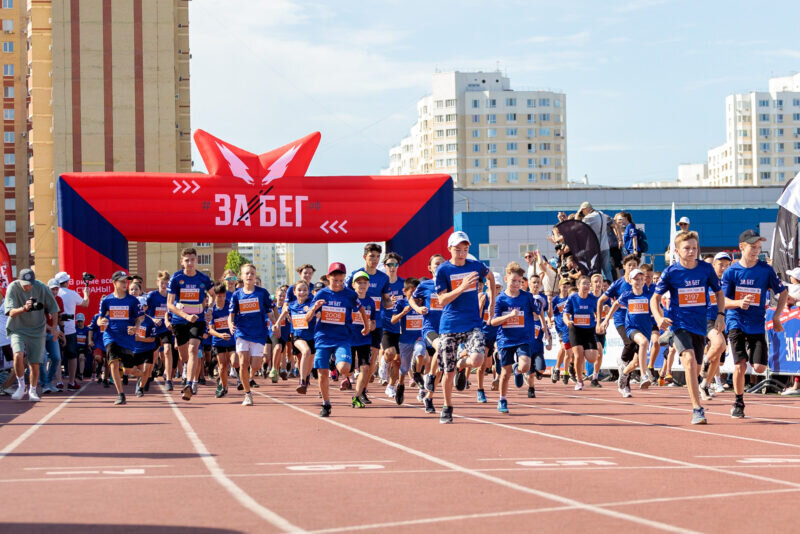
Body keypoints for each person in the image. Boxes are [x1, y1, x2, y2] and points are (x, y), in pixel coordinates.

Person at [652, 230, 724, 425]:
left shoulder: (705, 269)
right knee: (690, 362)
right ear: (677, 251)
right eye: (687, 248)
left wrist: (720, 315)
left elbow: (719, 293)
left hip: (700, 325)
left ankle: (669, 339)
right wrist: (659, 317)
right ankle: (697, 409)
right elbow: (655, 298)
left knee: (697, 368)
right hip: (679, 324)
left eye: (694, 248)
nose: (692, 251)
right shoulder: (671, 272)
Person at [722, 229, 787, 419]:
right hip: (736, 321)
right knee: (740, 365)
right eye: (753, 246)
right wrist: (738, 303)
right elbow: (722, 301)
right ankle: (738, 402)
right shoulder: (731, 271)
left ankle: (751, 351)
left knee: (758, 368)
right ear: (742, 247)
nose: (756, 250)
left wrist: (776, 317)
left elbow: (782, 293)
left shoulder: (765, 270)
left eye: (759, 247)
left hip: (757, 323)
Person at [434, 231, 496, 424]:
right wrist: (461, 287)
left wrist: (492, 304)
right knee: (448, 372)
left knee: (478, 359)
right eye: (458, 249)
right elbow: (442, 300)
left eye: (465, 249)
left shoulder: (476, 266)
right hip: (450, 325)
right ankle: (447, 406)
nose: (461, 253)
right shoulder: (443, 270)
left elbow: (491, 278)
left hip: (472, 324)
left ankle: (463, 365)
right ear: (450, 249)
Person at [306, 262, 369, 417]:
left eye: (341, 281)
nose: (338, 284)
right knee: (322, 372)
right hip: (323, 338)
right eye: (335, 280)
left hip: (342, 338)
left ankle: (336, 360)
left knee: (344, 369)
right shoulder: (321, 294)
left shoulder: (350, 295)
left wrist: (366, 326)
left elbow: (361, 309)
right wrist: (314, 308)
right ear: (328, 278)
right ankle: (326, 404)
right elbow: (308, 319)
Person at [5, 269, 60, 401]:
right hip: (18, 327)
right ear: (19, 280)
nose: (27, 286)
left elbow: (54, 308)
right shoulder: (13, 287)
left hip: (37, 329)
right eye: (24, 284)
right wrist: (24, 308)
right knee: (18, 354)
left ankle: (33, 390)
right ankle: (20, 385)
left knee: (34, 363)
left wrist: (54, 327)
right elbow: (10, 312)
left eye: (30, 283)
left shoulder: (40, 286)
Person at [167, 248, 214, 401]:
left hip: (198, 320)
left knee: (194, 348)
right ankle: (187, 367)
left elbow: (213, 295)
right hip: (180, 320)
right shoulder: (176, 278)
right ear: (182, 262)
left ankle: (190, 382)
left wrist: (209, 309)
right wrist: (186, 316)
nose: (189, 263)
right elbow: (170, 305)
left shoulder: (203, 278)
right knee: (183, 354)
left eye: (192, 259)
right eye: (186, 260)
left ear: (196, 261)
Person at [600, 268, 653, 398]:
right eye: (636, 279)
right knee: (643, 342)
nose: (639, 282)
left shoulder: (649, 295)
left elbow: (657, 310)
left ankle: (624, 374)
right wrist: (606, 319)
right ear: (630, 280)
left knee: (635, 363)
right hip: (632, 329)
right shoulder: (627, 295)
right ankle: (643, 375)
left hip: (646, 329)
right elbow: (615, 305)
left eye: (641, 279)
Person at [229, 264, 275, 406]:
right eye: (247, 273)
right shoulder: (237, 295)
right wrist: (230, 324)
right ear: (241, 276)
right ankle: (247, 394)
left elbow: (270, 311)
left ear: (255, 276)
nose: (249, 276)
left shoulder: (262, 293)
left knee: (255, 364)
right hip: (242, 332)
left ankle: (249, 377)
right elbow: (231, 314)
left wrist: (275, 323)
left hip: (259, 333)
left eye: (252, 274)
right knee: (243, 363)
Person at [97, 271, 145, 405]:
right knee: (113, 362)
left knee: (129, 370)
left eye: (126, 281)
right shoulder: (106, 300)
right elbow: (100, 318)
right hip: (111, 335)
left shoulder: (132, 300)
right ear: (114, 283)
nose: (125, 283)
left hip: (127, 338)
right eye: (122, 281)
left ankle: (143, 376)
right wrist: (100, 322)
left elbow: (140, 318)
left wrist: (136, 327)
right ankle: (120, 394)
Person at [699, 252, 732, 399]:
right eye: (720, 264)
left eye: (727, 265)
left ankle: (705, 384)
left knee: (718, 357)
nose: (724, 268)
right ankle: (705, 362)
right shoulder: (706, 280)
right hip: (706, 319)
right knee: (719, 345)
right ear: (713, 265)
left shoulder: (729, 282)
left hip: (722, 320)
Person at [389, 278, 424, 406]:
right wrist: (403, 312)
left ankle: (417, 374)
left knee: (420, 352)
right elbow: (393, 320)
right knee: (403, 369)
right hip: (405, 340)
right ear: (405, 291)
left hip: (419, 337)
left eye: (417, 292)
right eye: (412, 292)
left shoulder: (423, 302)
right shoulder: (400, 303)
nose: (416, 295)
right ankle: (401, 385)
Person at [53, 272, 90, 390]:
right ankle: (71, 382)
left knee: (57, 357)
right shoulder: (72, 293)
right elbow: (85, 304)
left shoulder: (54, 293)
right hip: (69, 330)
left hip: (56, 328)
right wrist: (86, 294)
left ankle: (59, 382)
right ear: (66, 282)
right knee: (72, 356)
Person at [563, 275, 599, 391]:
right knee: (578, 354)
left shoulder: (593, 299)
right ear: (578, 286)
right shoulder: (572, 298)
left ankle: (578, 363)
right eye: (584, 284)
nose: (586, 286)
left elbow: (598, 313)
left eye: (588, 284)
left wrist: (600, 322)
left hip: (589, 330)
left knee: (592, 358)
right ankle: (579, 380)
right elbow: (565, 314)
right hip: (575, 329)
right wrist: (567, 321)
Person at [347, 271, 376, 407]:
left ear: (369, 285)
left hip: (364, 339)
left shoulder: (370, 301)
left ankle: (357, 396)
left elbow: (374, 321)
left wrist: (371, 325)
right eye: (359, 282)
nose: (362, 285)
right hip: (349, 339)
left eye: (365, 282)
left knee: (365, 368)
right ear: (353, 285)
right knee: (348, 369)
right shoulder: (349, 299)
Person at [146, 271, 174, 389]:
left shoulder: (171, 296)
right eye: (162, 283)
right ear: (157, 283)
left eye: (166, 283)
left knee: (167, 350)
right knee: (153, 355)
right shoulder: (152, 296)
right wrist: (152, 319)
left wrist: (170, 321)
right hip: (153, 328)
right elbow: (143, 312)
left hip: (166, 328)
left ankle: (168, 379)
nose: (164, 285)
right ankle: (146, 377)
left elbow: (175, 310)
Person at [207, 283, 235, 398]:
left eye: (223, 296)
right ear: (215, 297)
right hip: (218, 341)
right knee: (222, 366)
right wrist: (220, 335)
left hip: (231, 340)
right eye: (219, 296)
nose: (222, 299)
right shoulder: (212, 310)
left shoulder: (230, 306)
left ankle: (240, 380)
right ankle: (223, 387)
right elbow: (210, 330)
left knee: (235, 362)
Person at [577, 201, 613, 282]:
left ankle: (595, 288)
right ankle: (610, 286)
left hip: (594, 249)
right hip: (605, 246)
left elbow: (578, 226)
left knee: (595, 271)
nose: (582, 213)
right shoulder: (602, 214)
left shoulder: (589, 217)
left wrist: (577, 215)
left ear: (586, 209)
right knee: (607, 270)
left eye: (582, 211)